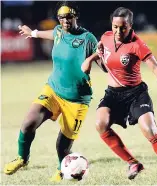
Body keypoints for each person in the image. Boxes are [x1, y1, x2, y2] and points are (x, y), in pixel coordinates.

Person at [4, 1, 98, 182]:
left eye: (68, 17)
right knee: (28, 123)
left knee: (62, 146)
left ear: (76, 16)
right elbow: (51, 34)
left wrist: (103, 59)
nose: (65, 21)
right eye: (61, 17)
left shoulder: (88, 38)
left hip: (77, 99)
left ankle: (63, 170)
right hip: (53, 90)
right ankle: (22, 158)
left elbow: (103, 63)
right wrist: (33, 33)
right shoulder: (58, 32)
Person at [81, 7, 157, 180]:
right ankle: (133, 163)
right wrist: (92, 58)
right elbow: (105, 64)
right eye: (115, 26)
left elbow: (153, 65)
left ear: (130, 26)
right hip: (113, 95)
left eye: (123, 27)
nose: (118, 31)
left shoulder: (137, 44)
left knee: (149, 129)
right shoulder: (105, 37)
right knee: (100, 123)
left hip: (136, 94)